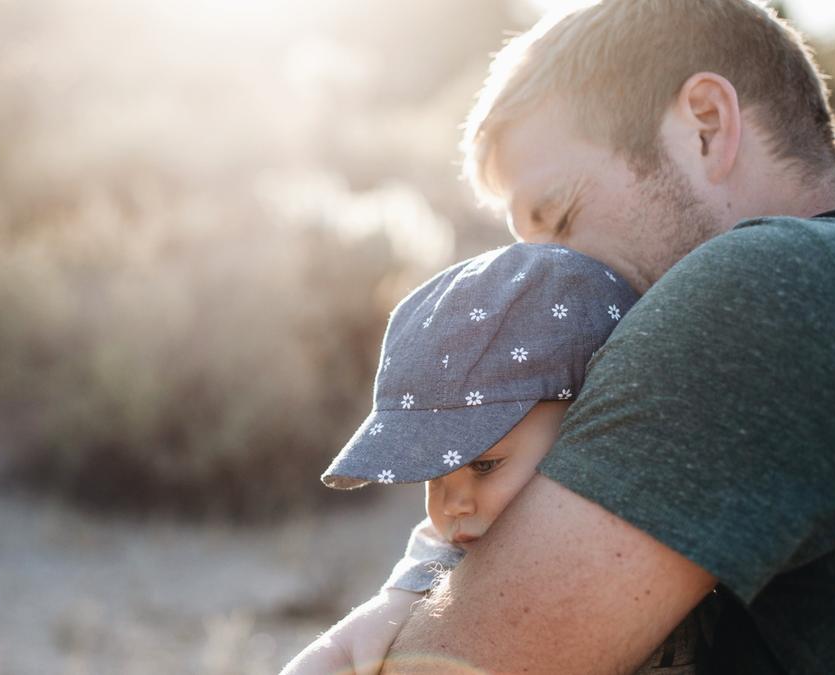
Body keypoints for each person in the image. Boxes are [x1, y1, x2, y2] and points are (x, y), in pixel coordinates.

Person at [370, 1, 835, 673]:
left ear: (705, 125)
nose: (544, 281)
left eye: (560, 217)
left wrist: (401, 598)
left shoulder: (753, 292)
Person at [283, 243, 713, 674]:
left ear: (587, 420)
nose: (451, 505)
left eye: (484, 465)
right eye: (433, 477)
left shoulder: (671, 501)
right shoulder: (454, 552)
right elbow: (360, 636)